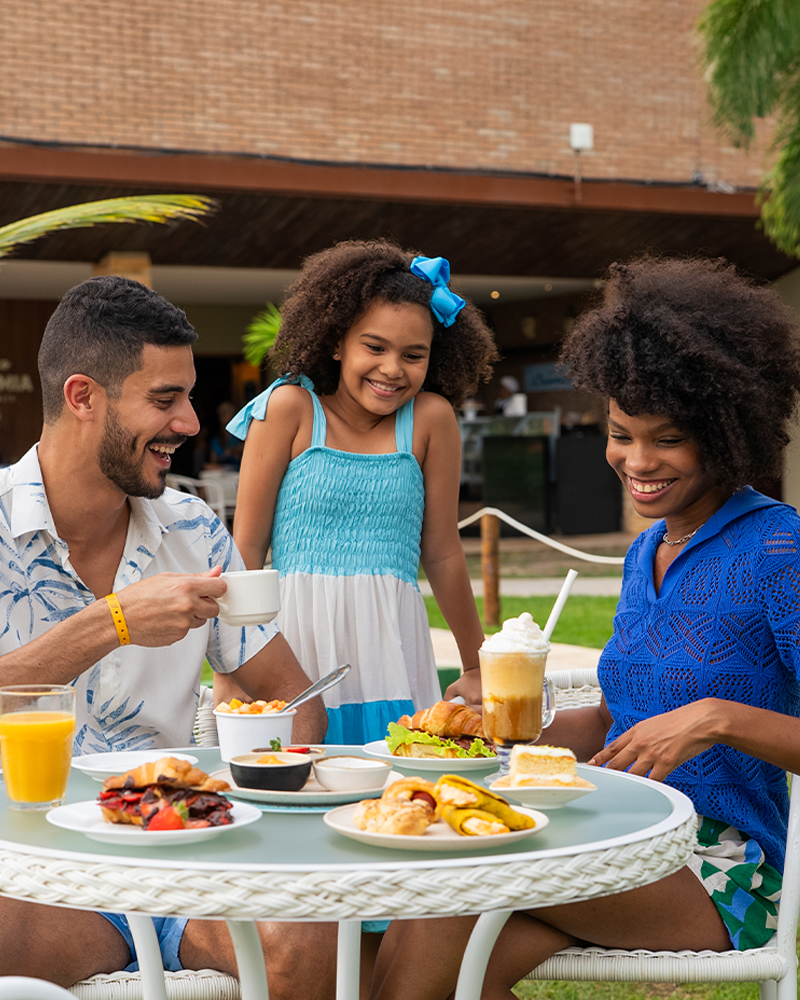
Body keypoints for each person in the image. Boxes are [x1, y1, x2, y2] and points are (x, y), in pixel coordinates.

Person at [368, 255, 800, 1000]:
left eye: (666, 439)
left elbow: (688, 721)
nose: (637, 462)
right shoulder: (645, 551)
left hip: (725, 867)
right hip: (621, 829)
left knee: (449, 885)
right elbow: (614, 714)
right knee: (427, 947)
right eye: (620, 434)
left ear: (728, 431)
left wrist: (714, 719)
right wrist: (504, 733)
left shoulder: (777, 548)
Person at [0, 275, 327, 990]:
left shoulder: (195, 529)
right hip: (27, 866)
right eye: (163, 399)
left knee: (306, 950)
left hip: (180, 858)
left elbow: (295, 697)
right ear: (82, 397)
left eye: (187, 395)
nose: (189, 422)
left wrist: (251, 790)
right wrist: (112, 623)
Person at [222, 238, 499, 739]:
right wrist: (228, 669)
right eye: (374, 347)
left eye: (413, 355)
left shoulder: (431, 421)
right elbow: (246, 549)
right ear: (336, 341)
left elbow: (442, 552)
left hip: (390, 646)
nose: (392, 369)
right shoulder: (289, 409)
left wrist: (476, 664)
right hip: (295, 646)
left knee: (392, 786)